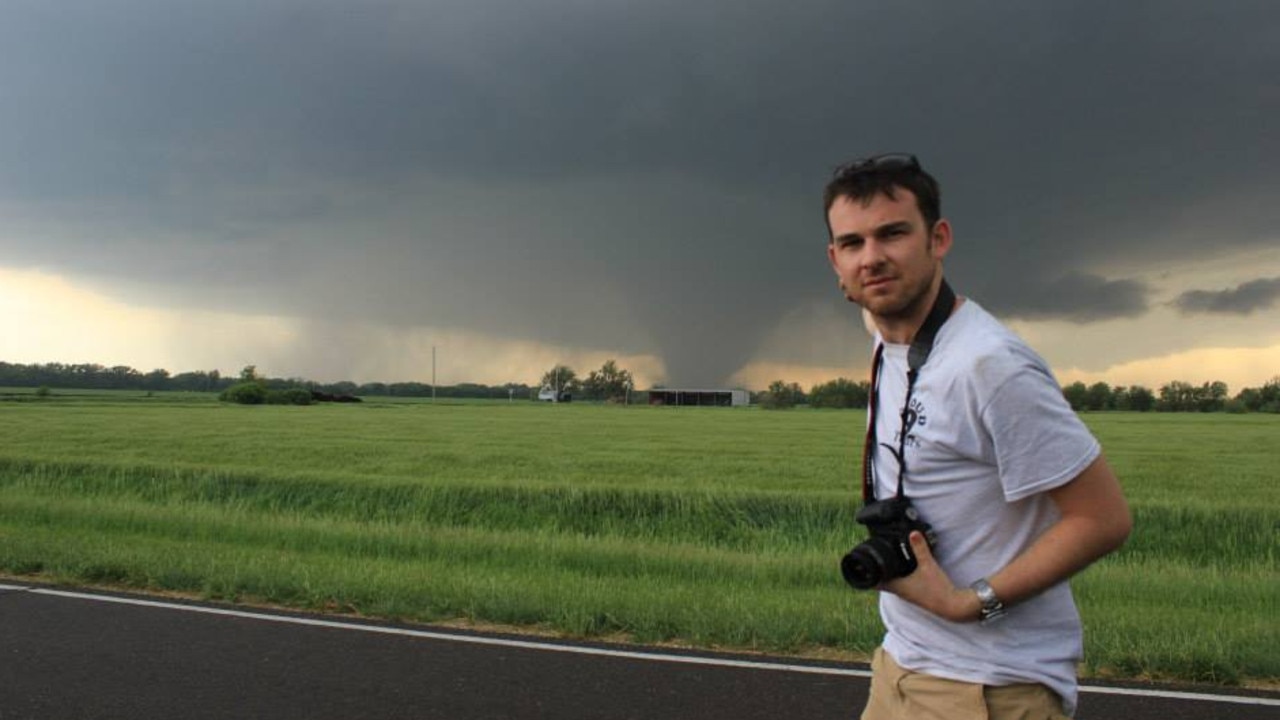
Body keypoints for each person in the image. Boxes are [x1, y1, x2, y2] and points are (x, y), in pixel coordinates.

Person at [824, 153, 1132, 719]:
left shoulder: (990, 367)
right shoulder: (889, 333)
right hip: (899, 669)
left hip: (989, 689)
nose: (872, 259)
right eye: (852, 244)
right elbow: (872, 300)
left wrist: (971, 603)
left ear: (938, 238)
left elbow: (1103, 518)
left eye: (893, 234)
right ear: (835, 260)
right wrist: (861, 290)